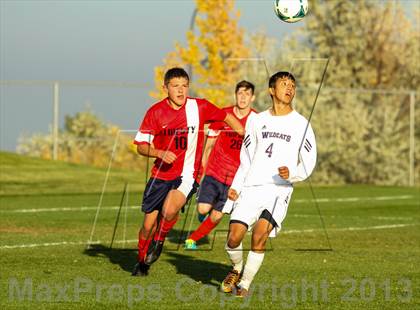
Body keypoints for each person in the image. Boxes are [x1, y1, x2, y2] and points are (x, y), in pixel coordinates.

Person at [131, 67, 244, 276]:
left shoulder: (198, 107)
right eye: (175, 86)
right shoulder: (155, 112)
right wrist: (159, 152)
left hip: (187, 174)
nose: (181, 91)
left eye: (184, 86)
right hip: (160, 175)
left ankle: (159, 240)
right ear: (165, 88)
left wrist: (243, 133)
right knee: (147, 225)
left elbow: (225, 116)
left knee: (169, 210)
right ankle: (141, 262)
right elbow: (140, 146)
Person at [220, 71, 317, 297]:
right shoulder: (257, 120)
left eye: (292, 85)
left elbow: (310, 160)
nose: (289, 88)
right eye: (284, 84)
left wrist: (292, 173)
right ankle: (235, 267)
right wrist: (236, 186)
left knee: (259, 235)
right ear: (272, 90)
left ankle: (244, 283)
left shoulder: (301, 123)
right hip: (251, 187)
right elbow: (246, 157)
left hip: (278, 191)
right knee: (233, 238)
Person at [184, 80, 257, 250]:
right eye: (240, 93)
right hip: (215, 172)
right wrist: (201, 170)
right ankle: (203, 213)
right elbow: (209, 145)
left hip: (235, 179)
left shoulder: (256, 120)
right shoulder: (223, 115)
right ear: (235, 95)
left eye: (247, 94)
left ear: (252, 98)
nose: (243, 97)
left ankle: (192, 240)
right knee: (203, 210)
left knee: (217, 215)